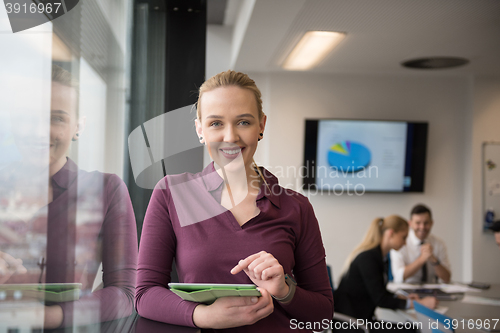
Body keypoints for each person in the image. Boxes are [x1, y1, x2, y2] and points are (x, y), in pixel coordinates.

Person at [135, 70, 333, 332]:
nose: (230, 137)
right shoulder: (171, 193)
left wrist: (284, 290)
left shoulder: (296, 206)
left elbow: (323, 315)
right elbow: (145, 295)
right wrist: (203, 317)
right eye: (216, 123)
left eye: (243, 122)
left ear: (261, 125)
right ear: (200, 129)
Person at [0, 65, 137, 328]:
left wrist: (47, 318)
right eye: (27, 117)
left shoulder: (106, 189)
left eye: (57, 118)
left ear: (78, 126)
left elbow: (126, 294)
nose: (39, 131)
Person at [334, 215, 437, 331]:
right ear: (391, 233)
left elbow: (379, 290)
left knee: (411, 328)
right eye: (403, 237)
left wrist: (402, 298)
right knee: (411, 330)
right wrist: (419, 304)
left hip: (362, 320)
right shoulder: (368, 258)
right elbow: (380, 299)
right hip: (351, 324)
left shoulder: (381, 258)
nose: (404, 243)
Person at [390, 204, 451, 284]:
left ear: (431, 223)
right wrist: (422, 259)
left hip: (431, 290)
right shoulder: (401, 242)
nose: (422, 227)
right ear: (410, 223)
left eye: (426, 223)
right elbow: (398, 276)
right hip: (407, 290)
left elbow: (447, 278)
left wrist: (434, 260)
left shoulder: (438, 243)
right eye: (418, 223)